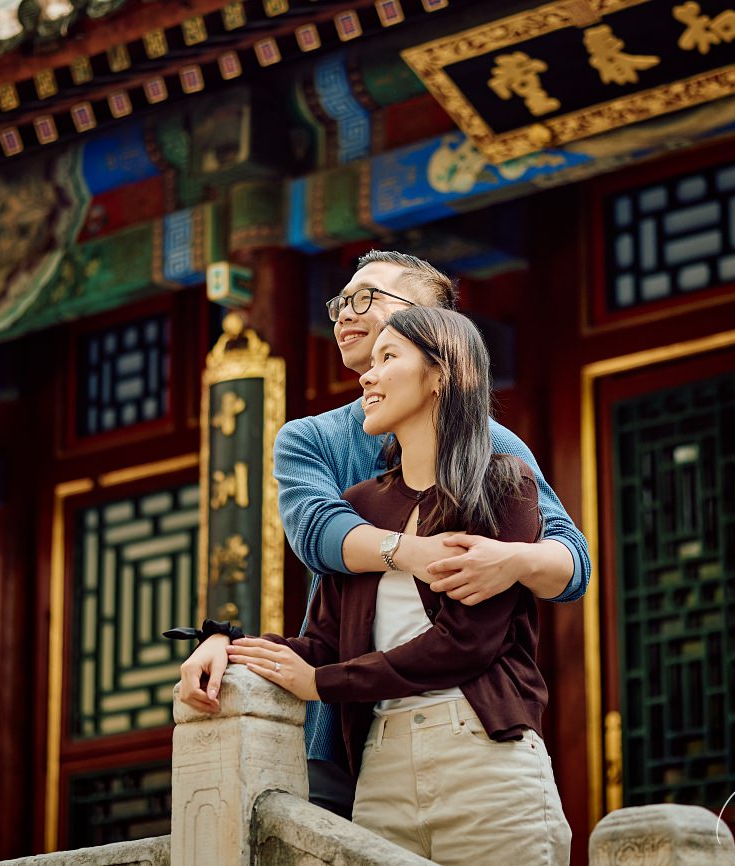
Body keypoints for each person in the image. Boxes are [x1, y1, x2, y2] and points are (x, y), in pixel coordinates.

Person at [180, 250, 590, 818]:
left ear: (433, 328)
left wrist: (513, 560)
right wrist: (231, 644)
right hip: (346, 734)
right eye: (341, 301)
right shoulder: (312, 440)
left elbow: (572, 562)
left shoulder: (496, 452)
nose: (345, 312)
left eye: (366, 298)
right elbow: (319, 534)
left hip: (475, 733)